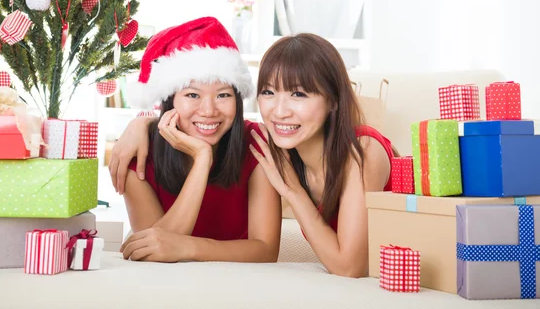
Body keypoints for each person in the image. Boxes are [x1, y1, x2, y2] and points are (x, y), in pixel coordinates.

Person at [111, 33, 393, 277]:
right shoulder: (280, 145)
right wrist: (141, 124)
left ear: (333, 100)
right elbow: (151, 248)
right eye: (269, 92)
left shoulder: (362, 151)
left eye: (299, 95)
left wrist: (292, 191)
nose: (279, 111)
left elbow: (349, 267)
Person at [118, 17, 281, 264]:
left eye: (223, 95)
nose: (209, 110)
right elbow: (151, 254)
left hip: (239, 285)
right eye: (192, 94)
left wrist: (189, 247)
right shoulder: (138, 153)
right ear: (170, 100)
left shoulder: (256, 143)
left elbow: (266, 251)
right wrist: (202, 159)